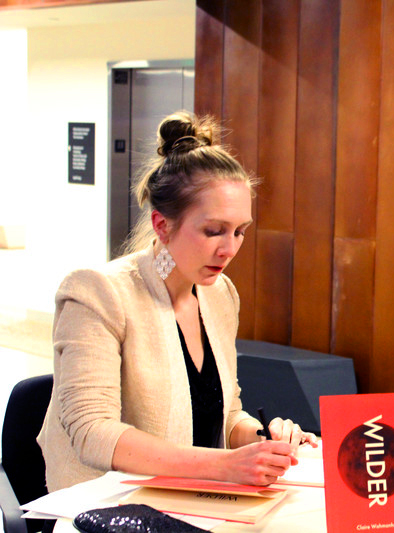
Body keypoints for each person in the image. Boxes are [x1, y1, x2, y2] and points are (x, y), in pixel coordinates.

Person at [37, 111, 317, 492]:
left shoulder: (221, 295)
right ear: (161, 225)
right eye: (214, 231)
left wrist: (261, 439)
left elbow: (226, 413)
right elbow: (92, 431)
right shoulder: (97, 293)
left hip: (194, 500)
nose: (229, 248)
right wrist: (224, 465)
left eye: (239, 232)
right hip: (104, 506)